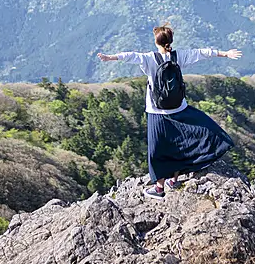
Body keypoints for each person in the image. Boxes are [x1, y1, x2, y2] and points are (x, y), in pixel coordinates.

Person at [98, 23, 243, 199]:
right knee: (180, 143)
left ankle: (159, 189)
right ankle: (173, 180)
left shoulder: (149, 58)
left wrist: (109, 57)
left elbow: (130, 56)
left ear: (156, 42)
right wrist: (225, 54)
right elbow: (202, 53)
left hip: (157, 112)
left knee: (158, 150)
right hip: (179, 108)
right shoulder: (178, 56)